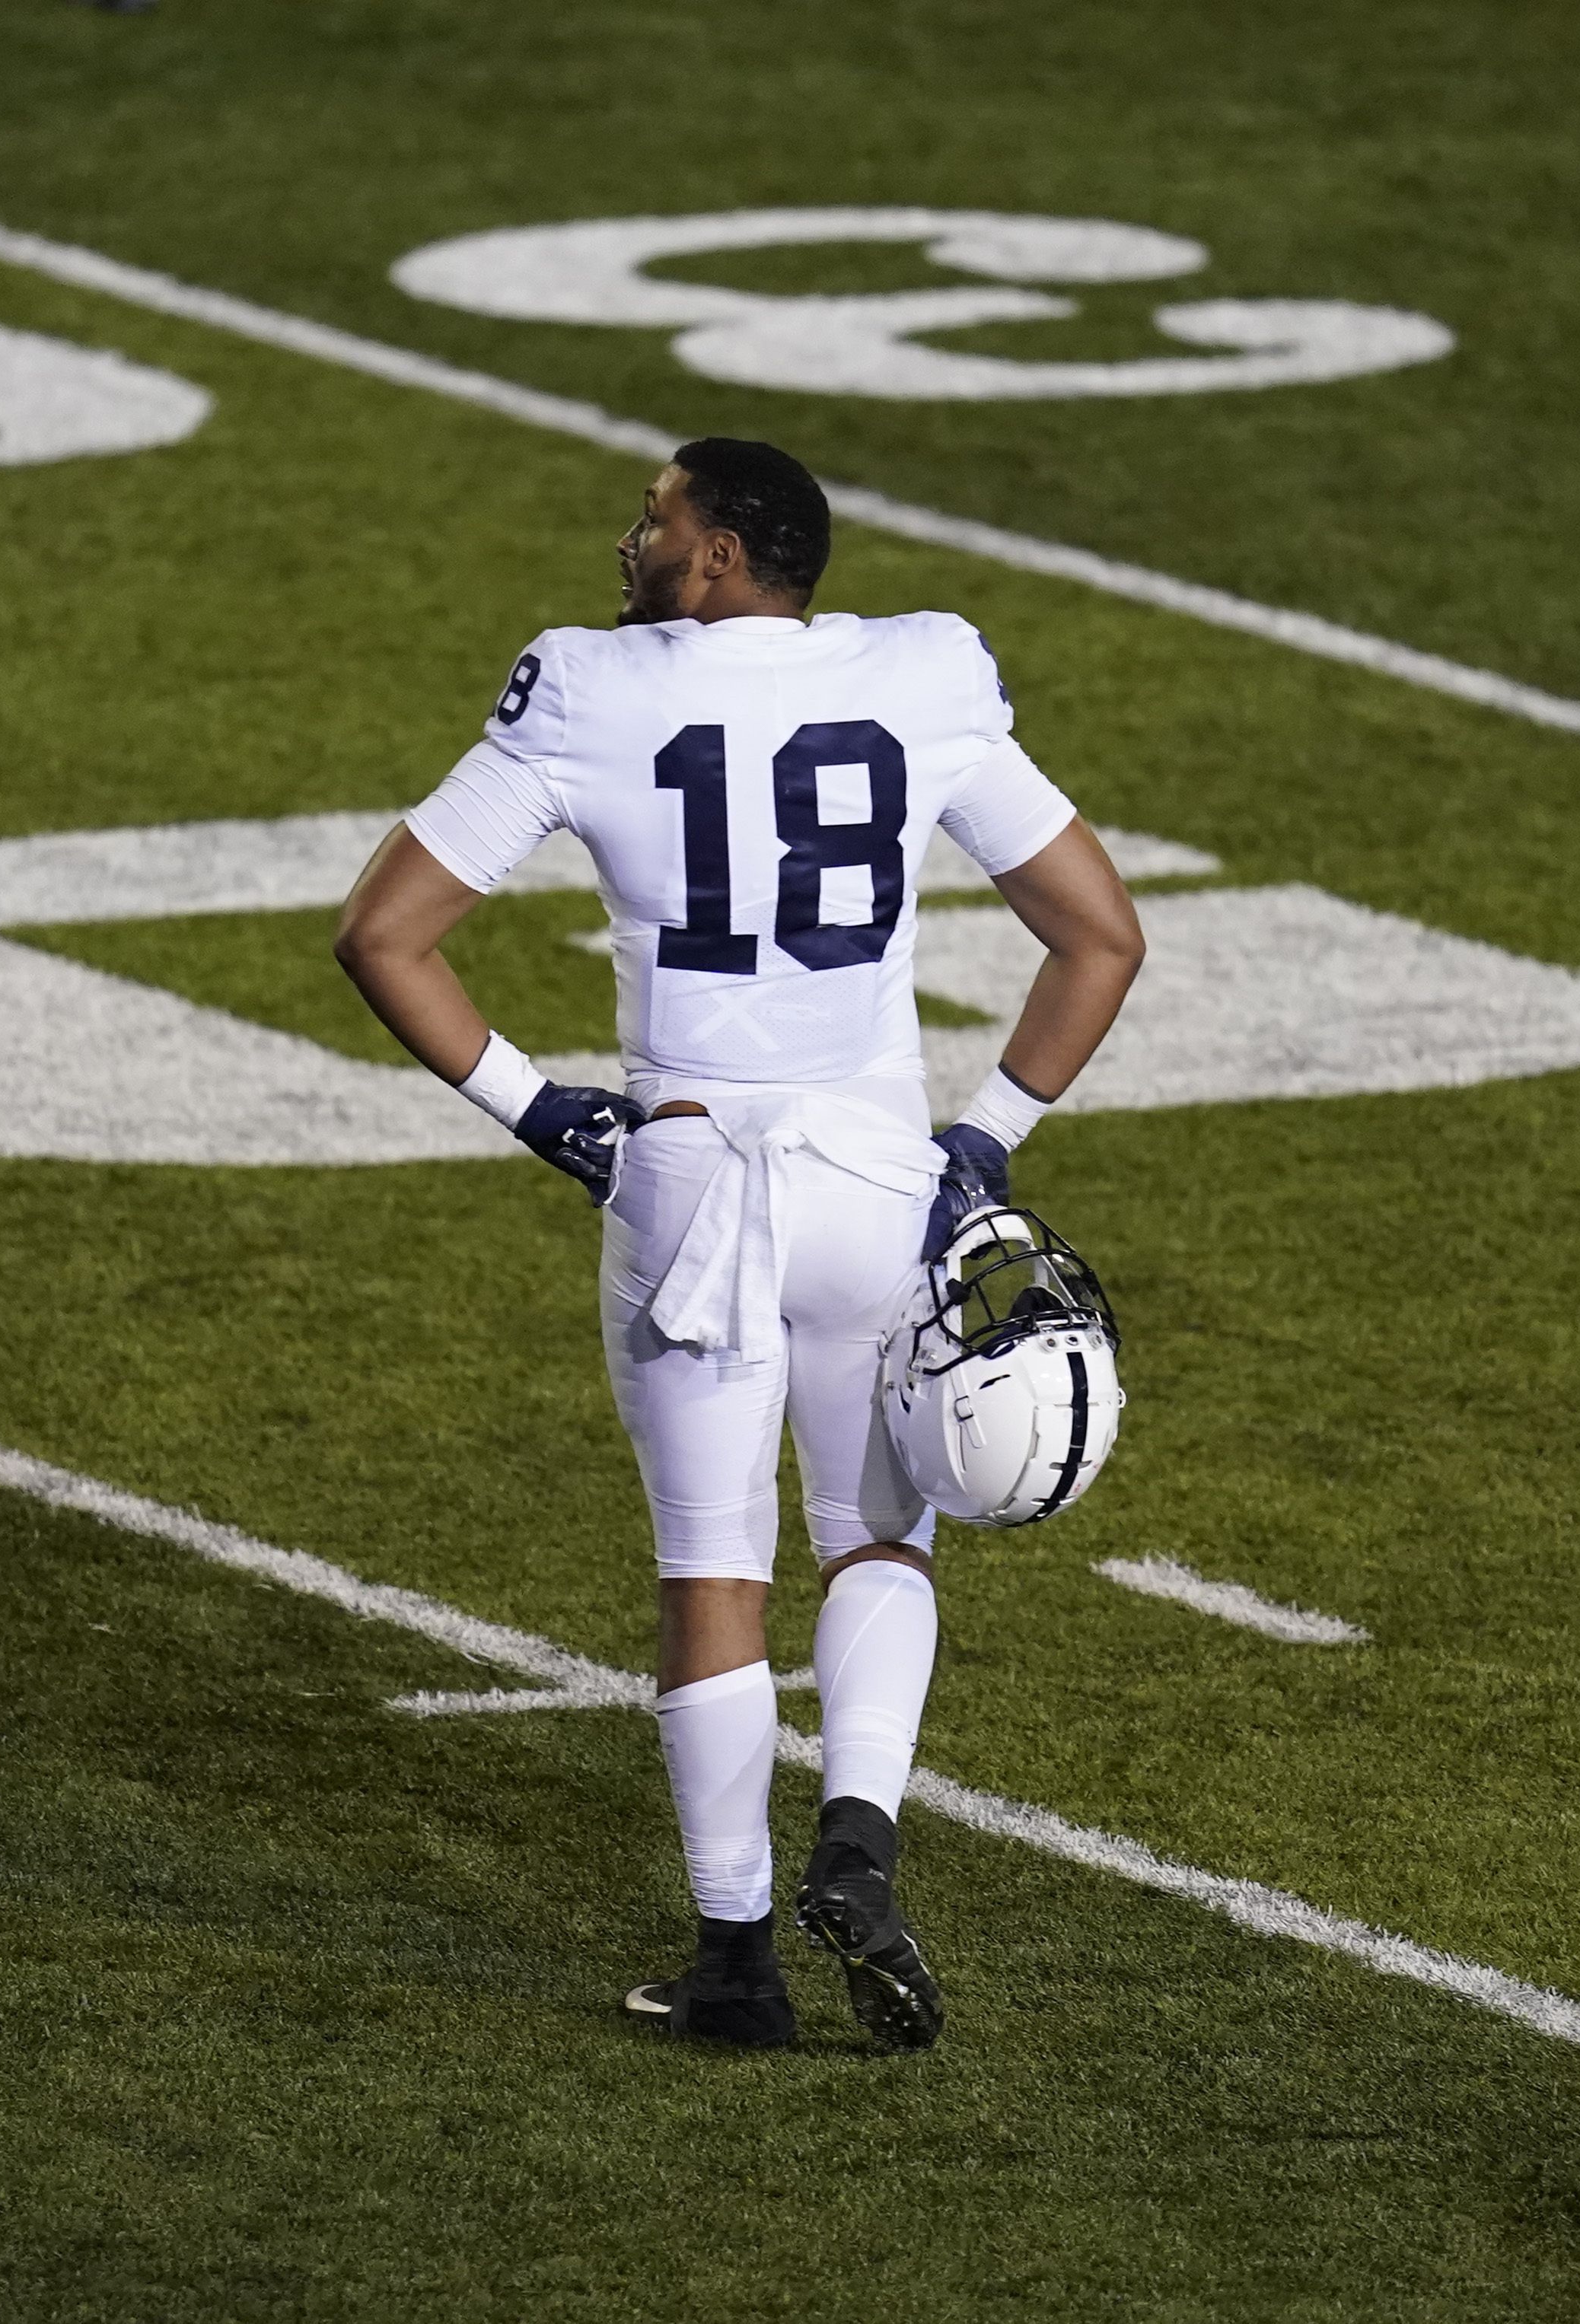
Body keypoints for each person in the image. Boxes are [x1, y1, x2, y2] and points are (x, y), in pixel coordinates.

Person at [333, 438, 1145, 2050]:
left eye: (659, 518)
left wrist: (547, 1116)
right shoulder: (923, 672)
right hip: (875, 1170)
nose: (633, 538)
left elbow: (381, 935)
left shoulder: (588, 689)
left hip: (689, 1177)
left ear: (717, 562)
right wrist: (983, 1138)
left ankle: (738, 1960)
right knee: (875, 1535)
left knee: (716, 1569)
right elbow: (1102, 935)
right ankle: (861, 1832)